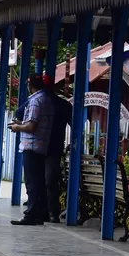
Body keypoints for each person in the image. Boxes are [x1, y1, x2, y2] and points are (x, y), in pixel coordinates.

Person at [9, 73, 55, 225]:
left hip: (32, 146)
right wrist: (22, 122)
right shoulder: (47, 100)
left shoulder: (35, 101)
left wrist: (17, 127)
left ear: (31, 86)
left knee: (32, 182)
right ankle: (40, 214)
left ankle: (30, 214)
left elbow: (31, 126)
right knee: (39, 181)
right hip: (42, 145)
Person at [44, 76, 72, 222]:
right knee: (48, 180)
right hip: (45, 148)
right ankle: (47, 210)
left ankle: (52, 211)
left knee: (49, 180)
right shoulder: (36, 102)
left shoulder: (62, 105)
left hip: (52, 148)